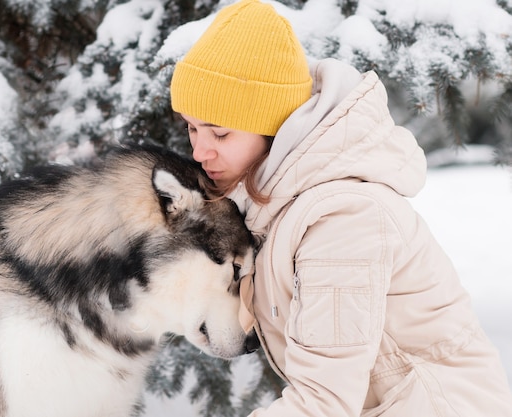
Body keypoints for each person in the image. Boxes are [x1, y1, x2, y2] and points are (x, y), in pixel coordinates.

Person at [169, 0, 512, 415]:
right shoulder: (276, 204)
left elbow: (324, 402)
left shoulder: (343, 217)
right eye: (191, 126)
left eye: (220, 133)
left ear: (275, 128)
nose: (199, 150)